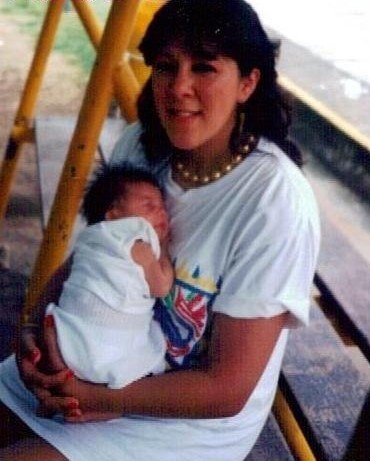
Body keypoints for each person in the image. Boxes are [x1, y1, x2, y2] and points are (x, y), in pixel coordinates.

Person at [0, 0, 320, 459]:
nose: (179, 88)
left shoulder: (274, 201)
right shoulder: (142, 145)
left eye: (204, 68)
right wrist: (32, 331)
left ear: (248, 82)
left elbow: (226, 388)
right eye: (167, 67)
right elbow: (94, 253)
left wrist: (105, 400)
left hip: (178, 422)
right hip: (90, 359)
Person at [43, 164, 173, 390]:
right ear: (114, 215)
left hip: (68, 332)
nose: (161, 212)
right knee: (139, 366)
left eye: (162, 206)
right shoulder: (134, 239)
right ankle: (103, 403)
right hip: (110, 344)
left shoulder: (90, 238)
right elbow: (161, 287)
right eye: (149, 205)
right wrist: (165, 252)